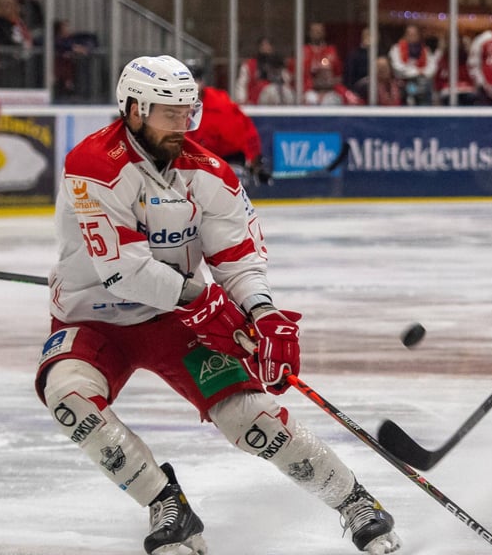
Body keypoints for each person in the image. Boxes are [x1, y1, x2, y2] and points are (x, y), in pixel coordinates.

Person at [34, 55, 400, 555]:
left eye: (189, 113)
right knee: (69, 398)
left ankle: (355, 500)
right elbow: (124, 269)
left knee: (251, 418)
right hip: (91, 321)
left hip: (174, 323)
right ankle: (165, 502)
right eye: (170, 113)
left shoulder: (209, 173)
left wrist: (263, 314)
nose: (183, 125)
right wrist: (206, 302)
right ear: (134, 110)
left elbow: (238, 257)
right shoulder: (92, 166)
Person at [186, 63, 270, 185]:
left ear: (202, 82)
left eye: (195, 81)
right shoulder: (176, 109)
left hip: (227, 159)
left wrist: (255, 160)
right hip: (196, 163)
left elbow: (247, 132)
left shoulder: (222, 105)